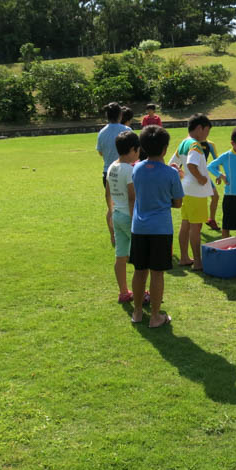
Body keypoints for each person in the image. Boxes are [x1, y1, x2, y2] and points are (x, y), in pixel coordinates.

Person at [130, 125, 184, 328]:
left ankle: (137, 312)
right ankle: (155, 316)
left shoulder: (136, 168)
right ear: (164, 149)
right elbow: (178, 203)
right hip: (160, 229)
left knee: (139, 270)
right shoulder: (170, 173)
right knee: (157, 273)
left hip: (139, 228)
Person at [169, 114, 214, 270]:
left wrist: (184, 175)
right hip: (196, 192)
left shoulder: (183, 143)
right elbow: (191, 164)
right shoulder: (195, 145)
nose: (207, 136)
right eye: (207, 131)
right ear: (199, 128)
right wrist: (201, 178)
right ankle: (197, 261)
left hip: (186, 190)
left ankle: (184, 257)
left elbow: (172, 165)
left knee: (185, 224)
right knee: (196, 227)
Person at [107, 130, 140, 303]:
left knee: (120, 256)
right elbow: (132, 197)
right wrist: (136, 221)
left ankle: (123, 292)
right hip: (128, 217)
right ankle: (139, 292)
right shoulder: (129, 170)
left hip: (117, 216)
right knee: (139, 258)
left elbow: (107, 193)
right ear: (133, 149)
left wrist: (109, 213)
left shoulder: (113, 166)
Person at [207, 127, 236, 238]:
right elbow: (210, 166)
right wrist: (221, 176)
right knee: (227, 225)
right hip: (231, 196)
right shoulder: (226, 156)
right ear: (233, 143)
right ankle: (226, 251)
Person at [96, 102, 132, 246]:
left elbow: (100, 152)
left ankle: (114, 236)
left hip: (108, 173)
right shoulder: (126, 130)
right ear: (120, 115)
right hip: (125, 172)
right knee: (127, 204)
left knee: (111, 206)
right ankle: (130, 235)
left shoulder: (102, 132)